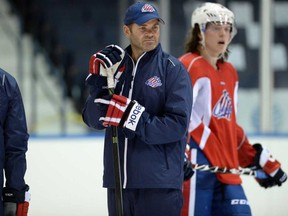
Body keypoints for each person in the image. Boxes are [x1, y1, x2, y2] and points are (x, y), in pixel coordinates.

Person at [82, 1, 193, 215]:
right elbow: (92, 119)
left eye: (155, 27)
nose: (150, 33)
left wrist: (133, 117)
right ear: (127, 30)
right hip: (118, 185)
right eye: (143, 28)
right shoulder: (114, 69)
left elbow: (177, 125)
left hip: (159, 186)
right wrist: (99, 82)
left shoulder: (173, 70)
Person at [179, 2, 287, 216]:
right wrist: (177, 154)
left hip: (227, 168)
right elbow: (177, 117)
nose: (223, 33)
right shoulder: (188, 65)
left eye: (228, 28)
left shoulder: (229, 72)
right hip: (197, 168)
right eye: (216, 27)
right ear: (200, 32)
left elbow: (229, 126)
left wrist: (257, 158)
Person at [0, 68, 30, 216]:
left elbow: (16, 144)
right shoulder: (6, 83)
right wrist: (15, 192)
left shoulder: (6, 83)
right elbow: (16, 144)